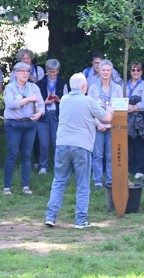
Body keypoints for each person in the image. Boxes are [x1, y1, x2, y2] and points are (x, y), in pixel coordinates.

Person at [45, 73, 113, 229]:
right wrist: (111, 109)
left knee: (59, 181)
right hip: (82, 146)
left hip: (62, 144)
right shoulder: (88, 101)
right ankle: (80, 220)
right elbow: (107, 118)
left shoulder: (64, 101)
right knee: (82, 184)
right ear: (84, 86)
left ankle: (50, 216)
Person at [2, 62, 44, 195]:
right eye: (22, 71)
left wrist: (39, 113)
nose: (26, 73)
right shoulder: (10, 88)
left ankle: (25, 186)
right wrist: (28, 99)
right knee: (12, 154)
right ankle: (7, 187)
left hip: (30, 124)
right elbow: (11, 104)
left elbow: (41, 105)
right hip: (14, 124)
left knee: (27, 155)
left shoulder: (33, 87)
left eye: (27, 71)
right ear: (15, 73)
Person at [86, 59, 123, 187]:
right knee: (97, 155)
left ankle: (110, 180)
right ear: (99, 71)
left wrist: (110, 123)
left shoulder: (118, 88)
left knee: (110, 155)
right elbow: (89, 109)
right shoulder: (92, 88)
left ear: (111, 71)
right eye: (103, 70)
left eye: (108, 70)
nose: (105, 72)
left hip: (113, 126)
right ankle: (97, 181)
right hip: (98, 125)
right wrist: (98, 124)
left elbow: (120, 109)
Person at [36, 59, 68, 175]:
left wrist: (57, 99)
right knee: (44, 143)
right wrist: (44, 103)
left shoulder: (63, 83)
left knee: (56, 142)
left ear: (58, 71)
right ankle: (43, 166)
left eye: (54, 72)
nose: (52, 74)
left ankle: (58, 166)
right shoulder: (39, 84)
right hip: (42, 115)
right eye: (50, 71)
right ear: (46, 70)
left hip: (56, 115)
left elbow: (66, 102)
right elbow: (36, 102)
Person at [125, 61, 144, 180]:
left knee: (139, 144)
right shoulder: (124, 85)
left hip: (140, 119)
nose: (136, 72)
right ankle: (129, 169)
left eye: (138, 70)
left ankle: (140, 170)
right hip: (126, 118)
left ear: (142, 72)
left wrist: (130, 108)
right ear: (130, 71)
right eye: (133, 70)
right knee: (128, 144)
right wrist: (128, 108)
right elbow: (121, 100)